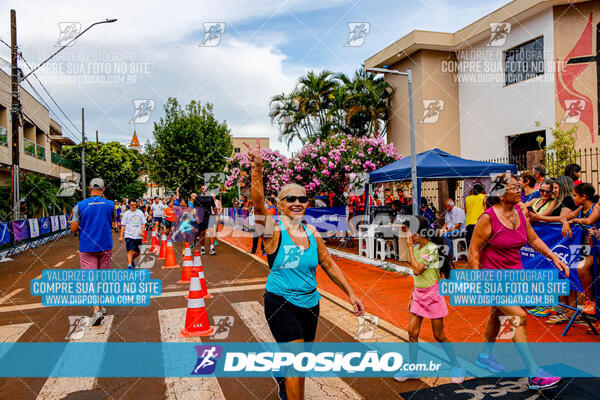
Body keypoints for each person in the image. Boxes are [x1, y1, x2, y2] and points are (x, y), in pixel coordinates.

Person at [244, 139, 364, 400]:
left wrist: (351, 294)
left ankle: (282, 375)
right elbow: (257, 205)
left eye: (302, 198)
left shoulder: (311, 232)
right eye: (290, 198)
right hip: (280, 302)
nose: (297, 202)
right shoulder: (273, 231)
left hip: (311, 303)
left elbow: (329, 264)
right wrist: (257, 169)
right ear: (280, 203)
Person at [469, 173, 568, 390]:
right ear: (501, 193)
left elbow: (532, 239)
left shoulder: (520, 214)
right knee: (518, 317)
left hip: (514, 274)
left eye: (518, 187)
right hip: (492, 276)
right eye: (514, 187)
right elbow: (474, 250)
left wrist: (553, 256)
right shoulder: (488, 218)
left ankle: (484, 356)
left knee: (497, 315)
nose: (519, 191)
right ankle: (534, 373)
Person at [394, 216, 464, 383]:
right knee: (412, 333)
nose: (407, 236)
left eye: (409, 232)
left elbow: (418, 270)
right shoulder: (418, 248)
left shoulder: (431, 249)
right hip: (418, 295)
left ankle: (456, 365)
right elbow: (417, 278)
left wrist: (410, 249)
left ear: (418, 233)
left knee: (439, 335)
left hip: (432, 296)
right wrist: (412, 296)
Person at [70, 178, 115, 326]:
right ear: (103, 189)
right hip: (105, 246)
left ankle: (96, 310)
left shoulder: (80, 206)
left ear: (89, 189)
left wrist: (76, 226)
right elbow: (113, 221)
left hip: (87, 247)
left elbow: (74, 227)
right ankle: (101, 307)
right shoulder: (110, 205)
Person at [560, 182, 600, 316]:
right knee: (570, 268)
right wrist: (566, 222)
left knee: (582, 268)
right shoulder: (580, 209)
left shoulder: (596, 207)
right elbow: (563, 217)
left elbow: (589, 221)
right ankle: (573, 309)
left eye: (574, 195)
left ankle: (591, 302)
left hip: (596, 250)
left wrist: (574, 221)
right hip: (586, 249)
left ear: (583, 197)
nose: (572, 198)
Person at [119, 199, 145, 269]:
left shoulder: (140, 213)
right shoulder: (126, 214)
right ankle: (129, 265)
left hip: (138, 236)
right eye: (132, 205)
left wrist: (142, 231)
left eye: (135, 204)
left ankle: (131, 258)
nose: (133, 206)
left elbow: (143, 223)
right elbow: (123, 225)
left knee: (138, 252)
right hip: (129, 235)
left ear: (137, 204)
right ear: (129, 205)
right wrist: (121, 236)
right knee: (130, 250)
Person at [193, 187, 218, 255]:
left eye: (205, 189)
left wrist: (216, 215)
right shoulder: (197, 198)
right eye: (203, 189)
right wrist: (195, 217)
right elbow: (194, 209)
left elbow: (214, 207)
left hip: (209, 217)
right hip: (201, 218)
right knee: (202, 234)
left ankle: (212, 248)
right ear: (201, 190)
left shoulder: (210, 198)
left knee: (211, 232)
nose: (204, 190)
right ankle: (202, 249)